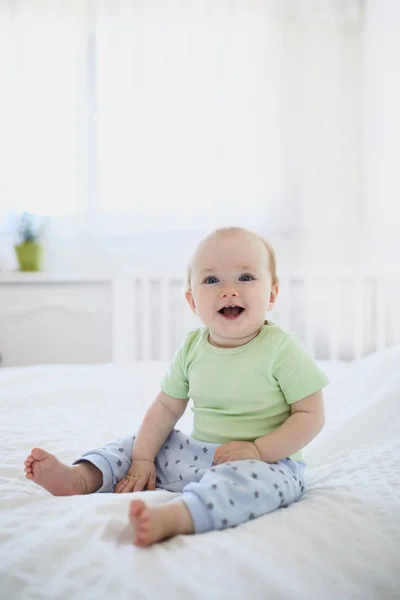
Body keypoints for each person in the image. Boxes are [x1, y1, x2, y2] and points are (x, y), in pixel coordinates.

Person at [24, 226, 329, 547]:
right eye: (212, 280)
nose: (228, 290)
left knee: (249, 486)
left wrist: (258, 450)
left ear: (272, 295)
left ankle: (180, 515)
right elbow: (167, 407)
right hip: (198, 455)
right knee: (138, 442)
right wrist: (143, 459)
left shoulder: (282, 349)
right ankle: (81, 478)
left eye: (246, 277)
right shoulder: (192, 347)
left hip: (269, 462)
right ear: (191, 301)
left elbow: (310, 415)